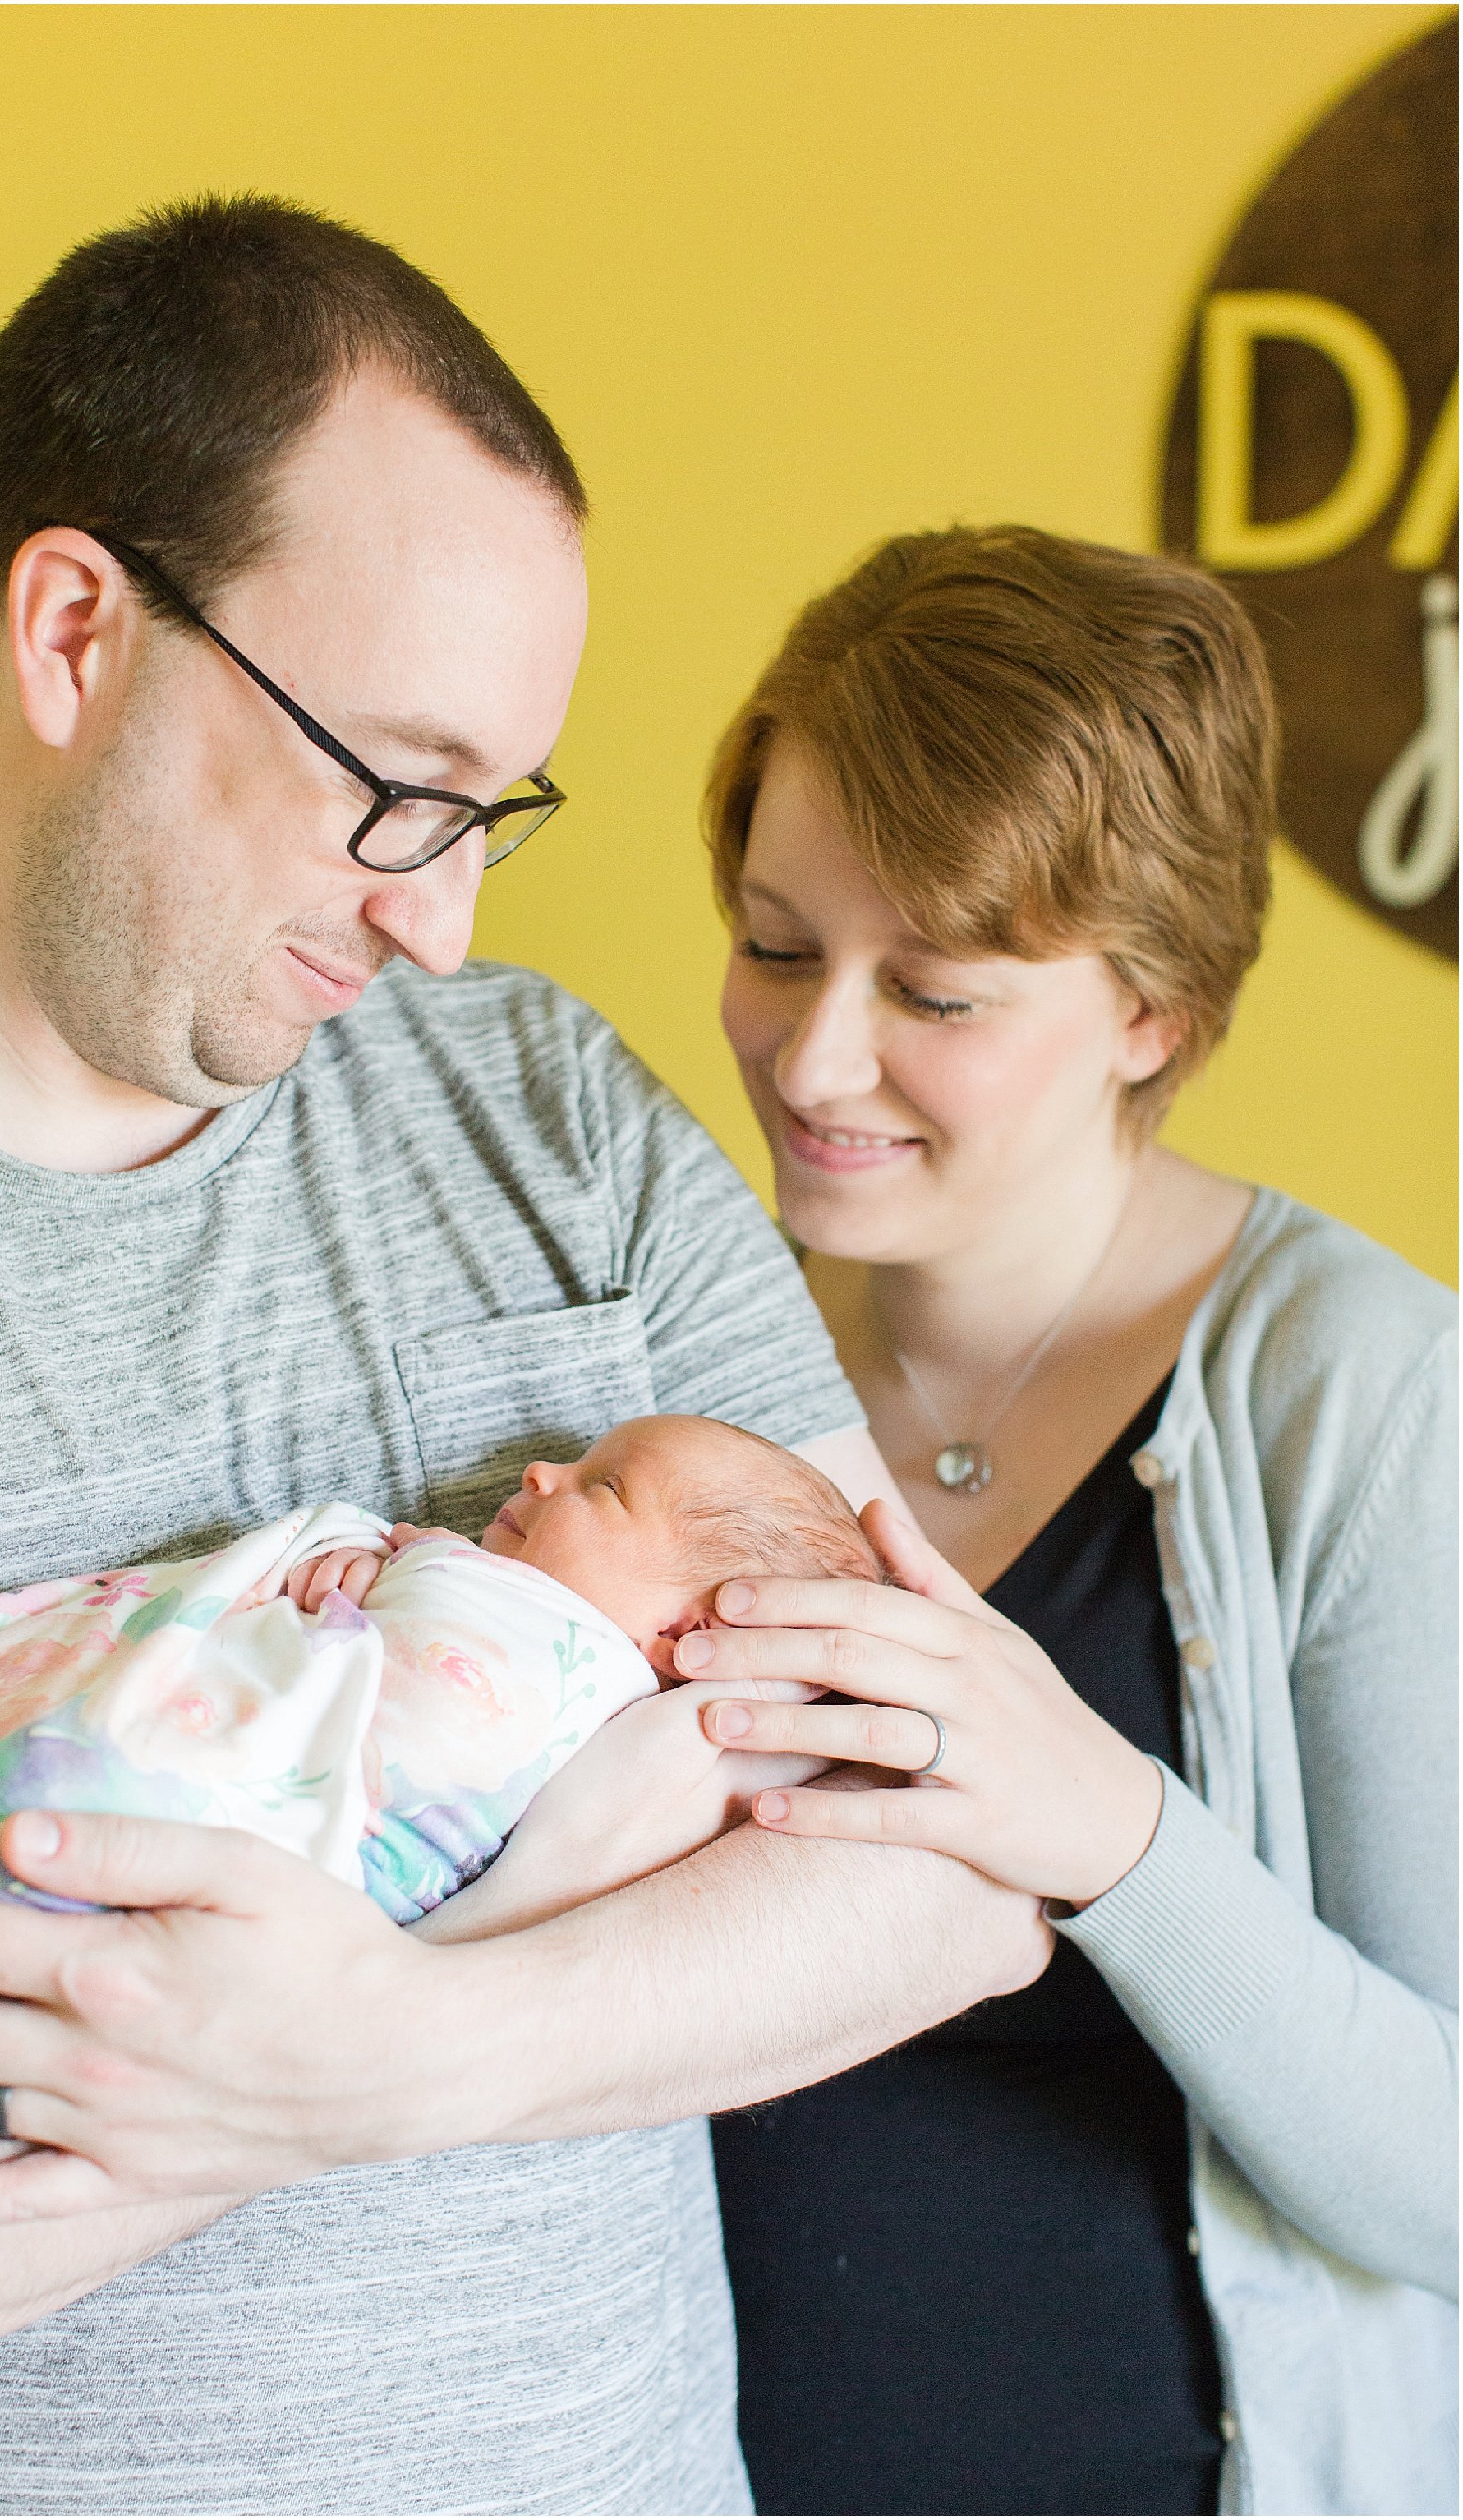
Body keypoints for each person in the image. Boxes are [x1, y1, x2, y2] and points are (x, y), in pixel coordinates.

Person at [0, 200, 1049, 2511]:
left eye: (497, 810)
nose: (445, 919)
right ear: (78, 629)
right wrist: (293, 2061)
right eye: (399, 780)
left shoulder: (547, 1115)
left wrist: (390, 2052)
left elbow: (952, 1867)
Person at [665, 527, 1456, 2517]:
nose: (813, 1057)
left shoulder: (1355, 1391)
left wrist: (1105, 1826)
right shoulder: (687, 1333)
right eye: (774, 943)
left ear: (1155, 1013)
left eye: (933, 988)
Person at [0, 1414, 858, 1981]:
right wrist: (348, 1567)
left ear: (683, 1639)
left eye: (602, 1487)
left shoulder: (626, 1727)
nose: (540, 1472)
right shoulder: (445, 1585)